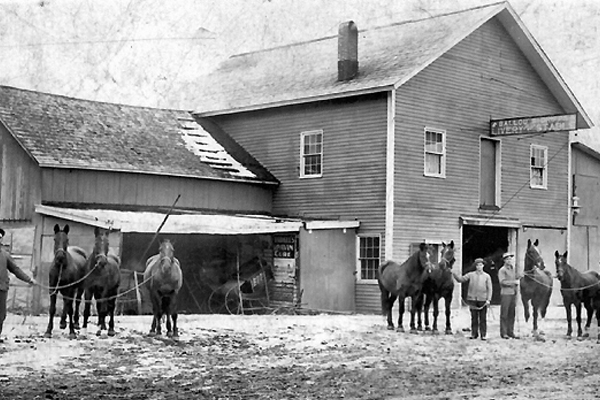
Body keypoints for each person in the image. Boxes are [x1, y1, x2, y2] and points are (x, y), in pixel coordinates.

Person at [0, 228, 36, 343]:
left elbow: (16, 270)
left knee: (1, 315)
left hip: (1, 289)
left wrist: (29, 279)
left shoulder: (4, 255)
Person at [452, 258, 493, 341]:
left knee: (483, 318)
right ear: (476, 266)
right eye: (477, 265)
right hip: (472, 299)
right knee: (474, 318)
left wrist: (488, 299)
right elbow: (461, 280)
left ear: (483, 266)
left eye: (480, 265)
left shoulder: (486, 276)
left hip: (483, 300)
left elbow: (490, 288)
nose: (479, 267)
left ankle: (483, 335)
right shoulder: (471, 275)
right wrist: (454, 273)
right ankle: (474, 334)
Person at [498, 252, 520, 339]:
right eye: (507, 259)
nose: (509, 260)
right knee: (504, 314)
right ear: (504, 261)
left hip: (513, 294)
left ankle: (510, 332)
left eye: (510, 259)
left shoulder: (513, 269)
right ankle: (504, 333)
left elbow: (517, 277)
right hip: (505, 294)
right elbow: (502, 282)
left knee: (512, 314)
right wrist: (514, 282)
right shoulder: (502, 270)